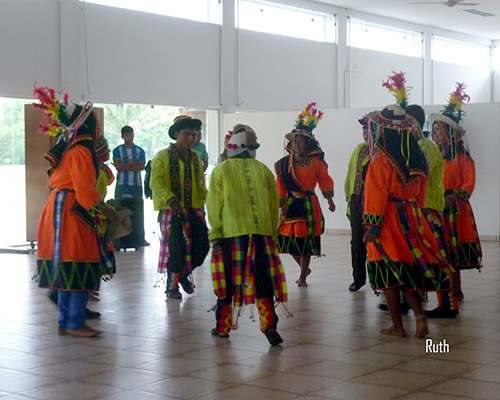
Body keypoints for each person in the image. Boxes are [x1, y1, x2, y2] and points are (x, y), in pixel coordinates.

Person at [33, 86, 119, 337]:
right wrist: (105, 211)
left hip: (59, 208)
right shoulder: (81, 150)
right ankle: (73, 322)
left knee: (68, 266)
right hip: (72, 210)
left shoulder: (70, 148)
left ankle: (66, 321)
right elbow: (84, 190)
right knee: (80, 264)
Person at [363, 104, 451, 338]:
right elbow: (421, 193)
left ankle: (398, 327)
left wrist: (372, 226)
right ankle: (420, 318)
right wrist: (414, 211)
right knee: (408, 272)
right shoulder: (417, 155)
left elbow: (376, 193)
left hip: (389, 219)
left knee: (389, 274)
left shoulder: (381, 159)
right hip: (412, 216)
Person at [206, 124, 288, 345]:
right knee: (264, 282)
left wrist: (215, 235)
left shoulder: (221, 171)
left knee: (228, 283)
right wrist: (271, 235)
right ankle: (269, 326)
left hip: (232, 236)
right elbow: (273, 207)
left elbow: (214, 206)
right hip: (262, 236)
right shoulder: (263, 170)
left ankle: (222, 327)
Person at [430, 83, 482, 302]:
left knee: (453, 251)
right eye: (432, 130)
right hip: (438, 207)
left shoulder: (461, 158)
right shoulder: (434, 157)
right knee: (441, 251)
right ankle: (448, 290)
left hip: (455, 210)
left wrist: (455, 197)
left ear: (448, 132)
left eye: (437, 130)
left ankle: (455, 289)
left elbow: (469, 182)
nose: (433, 134)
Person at [406, 104, 459, 318]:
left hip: (427, 209)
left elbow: (417, 178)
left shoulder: (425, 147)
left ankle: (448, 304)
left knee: (435, 256)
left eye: (407, 121)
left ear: (414, 122)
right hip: (421, 209)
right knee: (418, 256)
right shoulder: (419, 145)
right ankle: (409, 300)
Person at [275, 103, 335, 287]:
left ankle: (302, 276)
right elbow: (281, 185)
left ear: (308, 143)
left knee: (305, 243)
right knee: (287, 241)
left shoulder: (316, 162)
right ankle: (303, 268)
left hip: (309, 205)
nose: (298, 144)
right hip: (291, 205)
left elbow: (325, 180)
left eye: (302, 141)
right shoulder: (284, 164)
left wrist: (329, 200)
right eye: (296, 141)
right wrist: (282, 203)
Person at [150, 115, 209, 299]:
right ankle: (172, 287)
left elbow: (200, 185)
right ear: (176, 134)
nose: (191, 139)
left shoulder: (195, 156)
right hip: (171, 211)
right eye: (186, 134)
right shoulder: (162, 156)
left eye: (194, 134)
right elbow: (156, 182)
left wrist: (215, 201)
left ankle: (183, 274)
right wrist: (170, 199)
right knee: (175, 249)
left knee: (202, 247)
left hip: (193, 210)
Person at [344, 114, 371, 291]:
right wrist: (349, 194)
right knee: (356, 241)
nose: (365, 135)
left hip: (372, 201)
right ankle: (358, 278)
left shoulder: (382, 152)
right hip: (356, 199)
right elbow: (350, 171)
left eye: (368, 131)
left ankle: (380, 281)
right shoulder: (359, 149)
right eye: (363, 132)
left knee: (376, 240)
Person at [112, 125, 146, 199]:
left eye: (131, 135)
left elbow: (141, 166)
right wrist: (134, 163)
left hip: (136, 185)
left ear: (133, 135)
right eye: (126, 135)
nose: (129, 138)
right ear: (122, 137)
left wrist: (124, 166)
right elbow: (118, 167)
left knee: (137, 209)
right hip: (122, 185)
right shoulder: (117, 150)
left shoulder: (140, 151)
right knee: (120, 209)